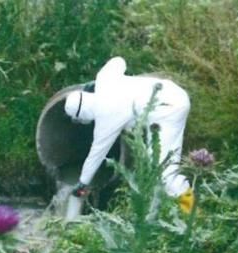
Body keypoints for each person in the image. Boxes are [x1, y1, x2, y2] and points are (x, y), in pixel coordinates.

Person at [64, 56, 191, 198]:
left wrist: (82, 183)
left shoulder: (105, 118)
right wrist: (98, 83)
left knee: (163, 173)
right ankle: (173, 207)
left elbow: (96, 155)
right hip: (170, 91)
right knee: (153, 164)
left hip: (168, 110)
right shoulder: (104, 79)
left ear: (83, 114)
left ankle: (192, 212)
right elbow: (119, 61)